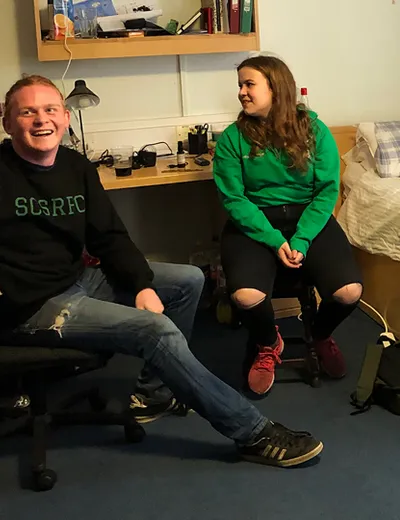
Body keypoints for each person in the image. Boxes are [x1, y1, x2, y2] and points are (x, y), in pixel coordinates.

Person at [0, 74, 322, 468]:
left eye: (50, 109)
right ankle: (252, 433)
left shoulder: (75, 166)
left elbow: (109, 237)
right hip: (31, 303)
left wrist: (141, 285)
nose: (41, 120)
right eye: (27, 112)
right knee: (154, 330)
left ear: (66, 117)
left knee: (188, 280)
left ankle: (155, 394)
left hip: (76, 279)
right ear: (7, 122)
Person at [213, 55, 363, 397]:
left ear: (276, 88)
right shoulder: (233, 139)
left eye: (249, 84)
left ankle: (320, 334)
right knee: (246, 296)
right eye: (240, 85)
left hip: (308, 217)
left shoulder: (315, 131)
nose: (241, 92)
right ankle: (269, 343)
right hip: (255, 221)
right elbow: (234, 199)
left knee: (349, 292)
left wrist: (302, 238)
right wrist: (273, 239)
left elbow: (327, 191)